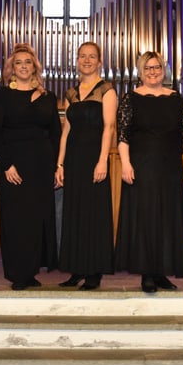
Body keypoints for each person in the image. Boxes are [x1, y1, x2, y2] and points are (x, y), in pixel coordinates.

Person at [115, 51, 183, 292]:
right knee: (145, 219)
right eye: (148, 68)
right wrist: (126, 163)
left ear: (164, 70)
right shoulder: (131, 98)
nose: (153, 71)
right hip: (141, 167)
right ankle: (147, 273)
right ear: (141, 72)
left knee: (166, 218)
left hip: (170, 167)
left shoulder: (176, 99)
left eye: (157, 67)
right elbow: (123, 135)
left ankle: (161, 272)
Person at [0, 42, 60, 290]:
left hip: (41, 164)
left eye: (27, 62)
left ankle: (30, 271)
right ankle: (17, 273)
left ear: (34, 67)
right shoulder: (1, 95)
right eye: (18, 62)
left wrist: (55, 166)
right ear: (11, 68)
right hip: (13, 164)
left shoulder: (48, 96)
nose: (22, 66)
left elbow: (55, 133)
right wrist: (6, 164)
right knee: (15, 219)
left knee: (35, 219)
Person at [55, 42, 116, 290]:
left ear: (100, 61)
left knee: (94, 214)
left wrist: (102, 160)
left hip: (95, 157)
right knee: (74, 213)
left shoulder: (107, 90)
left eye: (92, 57)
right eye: (82, 56)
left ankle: (94, 271)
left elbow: (109, 127)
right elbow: (65, 131)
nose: (87, 60)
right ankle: (76, 268)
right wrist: (59, 163)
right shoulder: (71, 93)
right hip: (74, 159)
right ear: (77, 60)